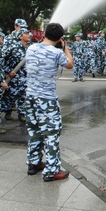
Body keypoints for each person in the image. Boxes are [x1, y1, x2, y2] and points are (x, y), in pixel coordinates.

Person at [24, 22, 73, 182]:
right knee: (52, 133)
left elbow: (40, 47)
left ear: (43, 34)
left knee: (34, 130)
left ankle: (34, 163)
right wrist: (64, 46)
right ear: (60, 38)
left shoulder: (31, 48)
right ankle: (52, 170)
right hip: (47, 99)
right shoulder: (56, 53)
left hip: (30, 97)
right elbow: (69, 64)